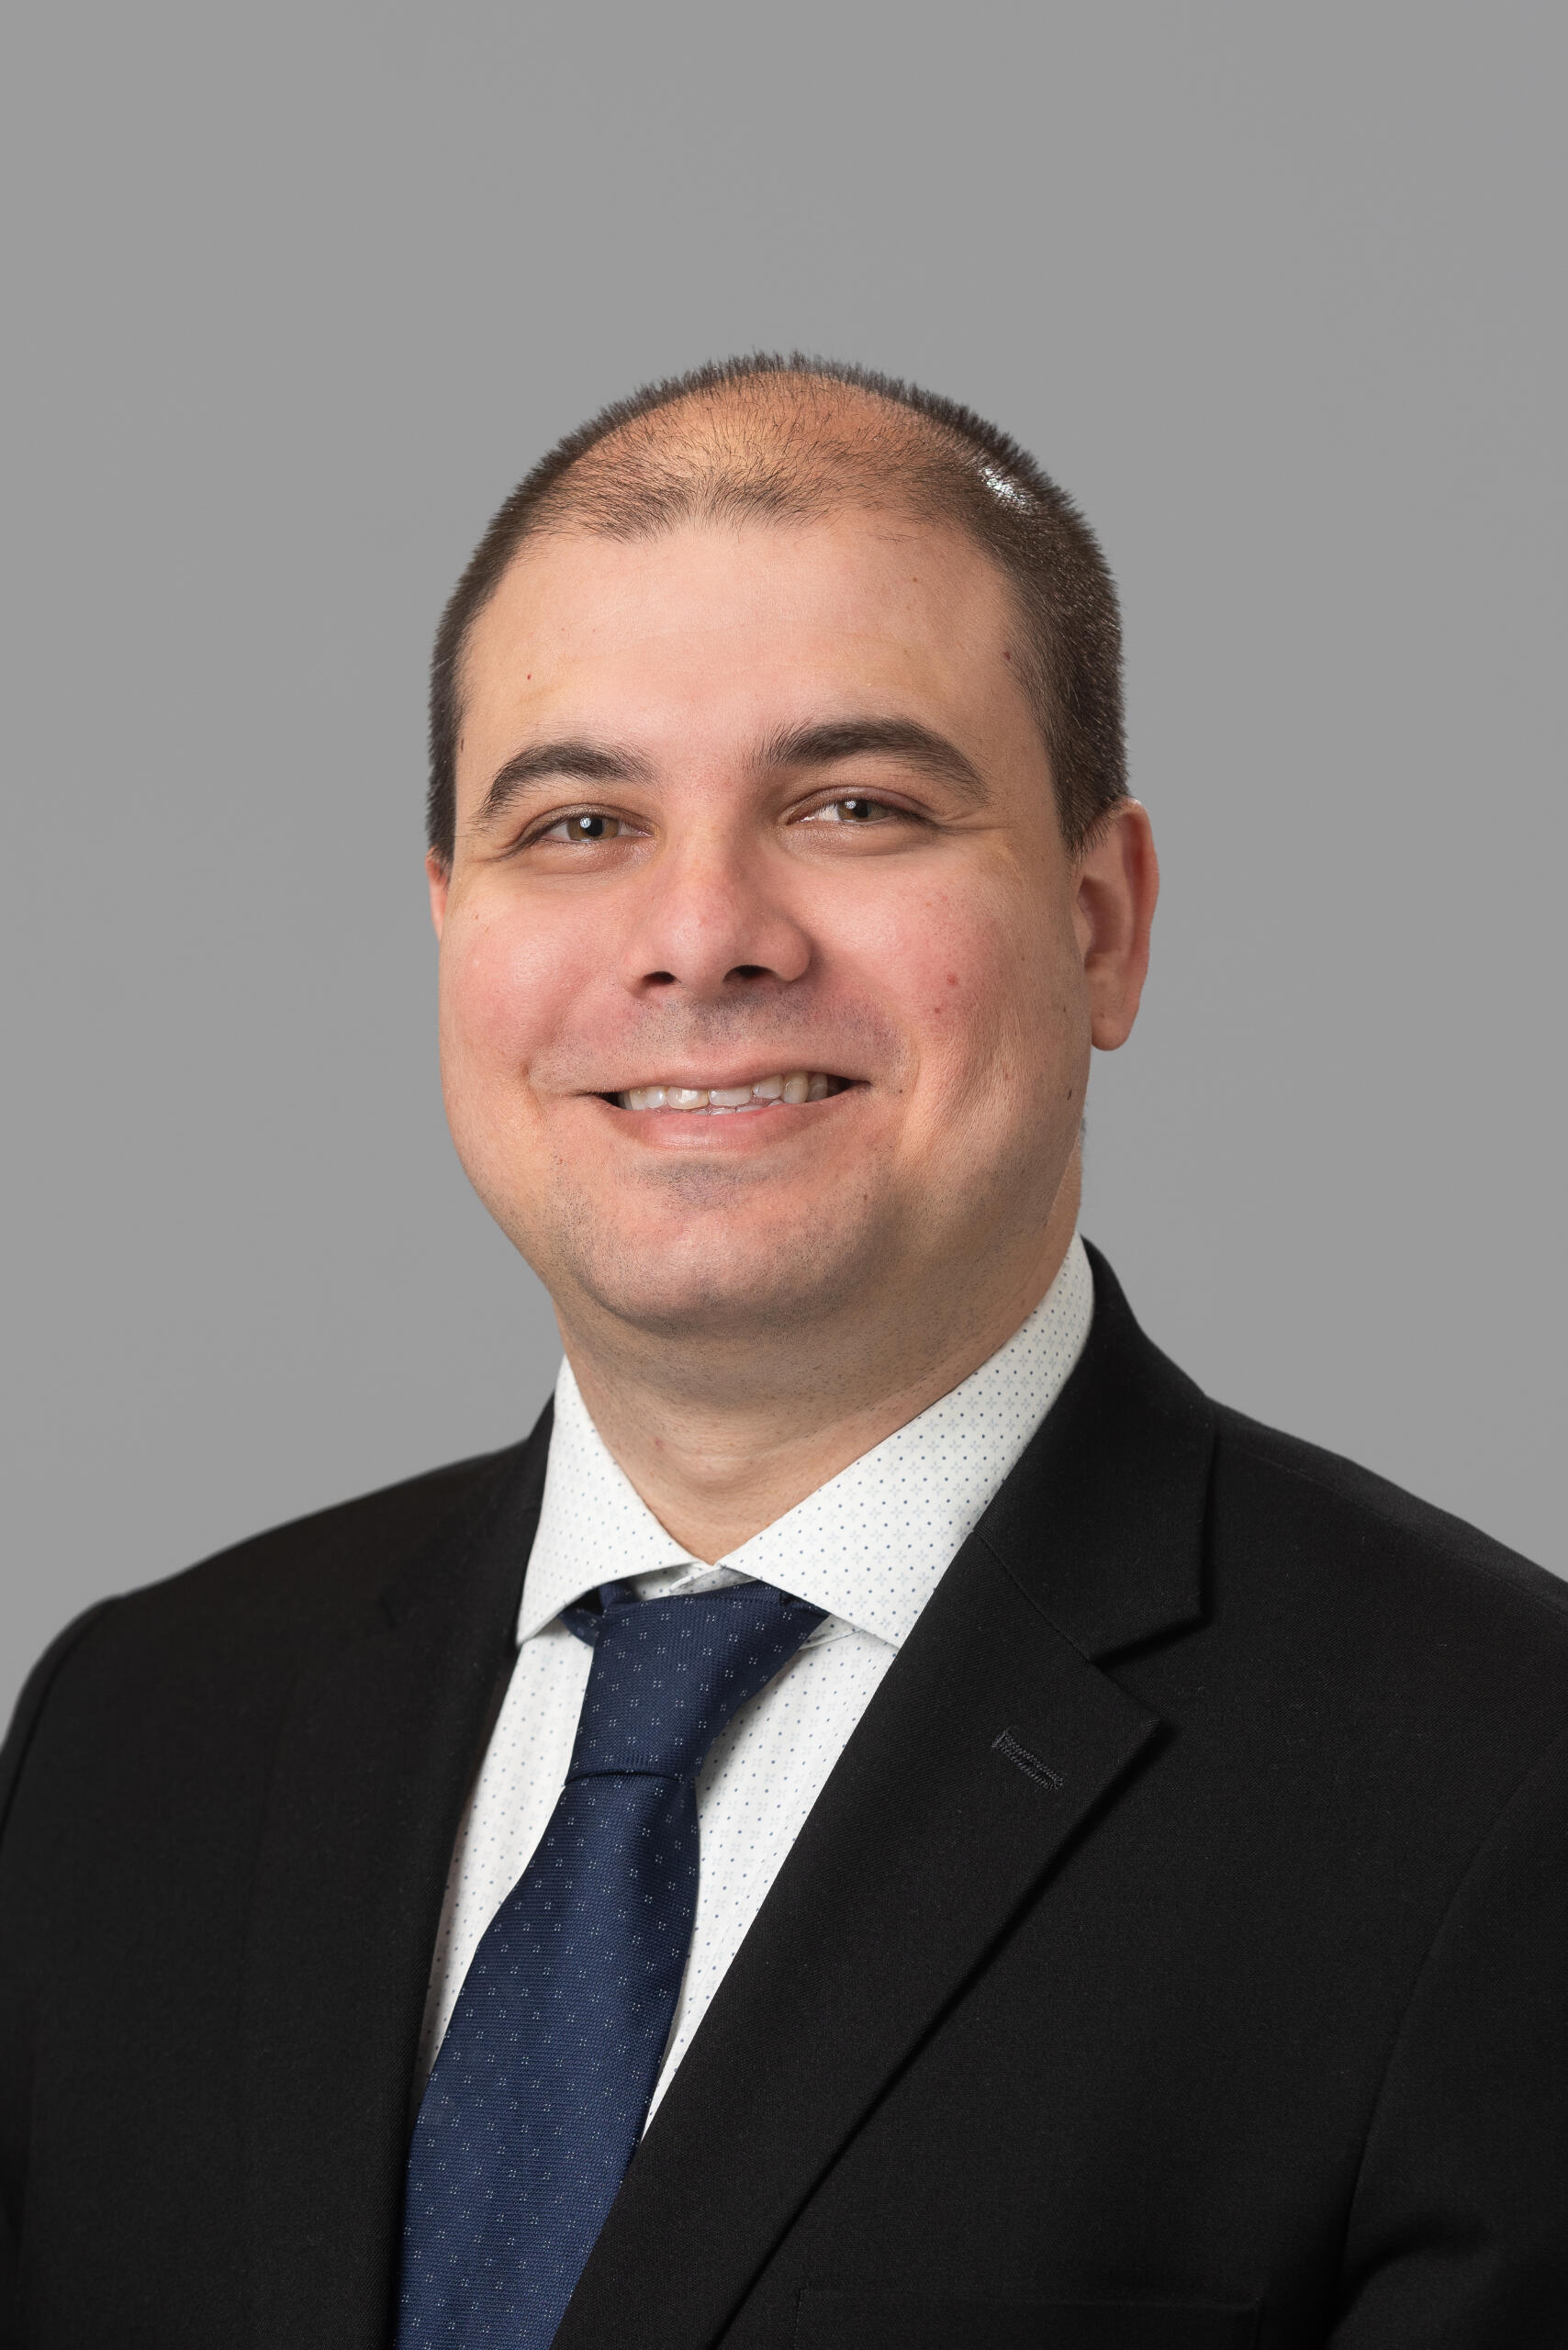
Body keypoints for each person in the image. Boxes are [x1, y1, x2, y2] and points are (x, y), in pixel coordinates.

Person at [1, 356, 1563, 2350]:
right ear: (450, 926)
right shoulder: (135, 1736)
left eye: (853, 806)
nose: (702, 933)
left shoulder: (1498, 1785)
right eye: (580, 820)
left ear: (1100, 924)